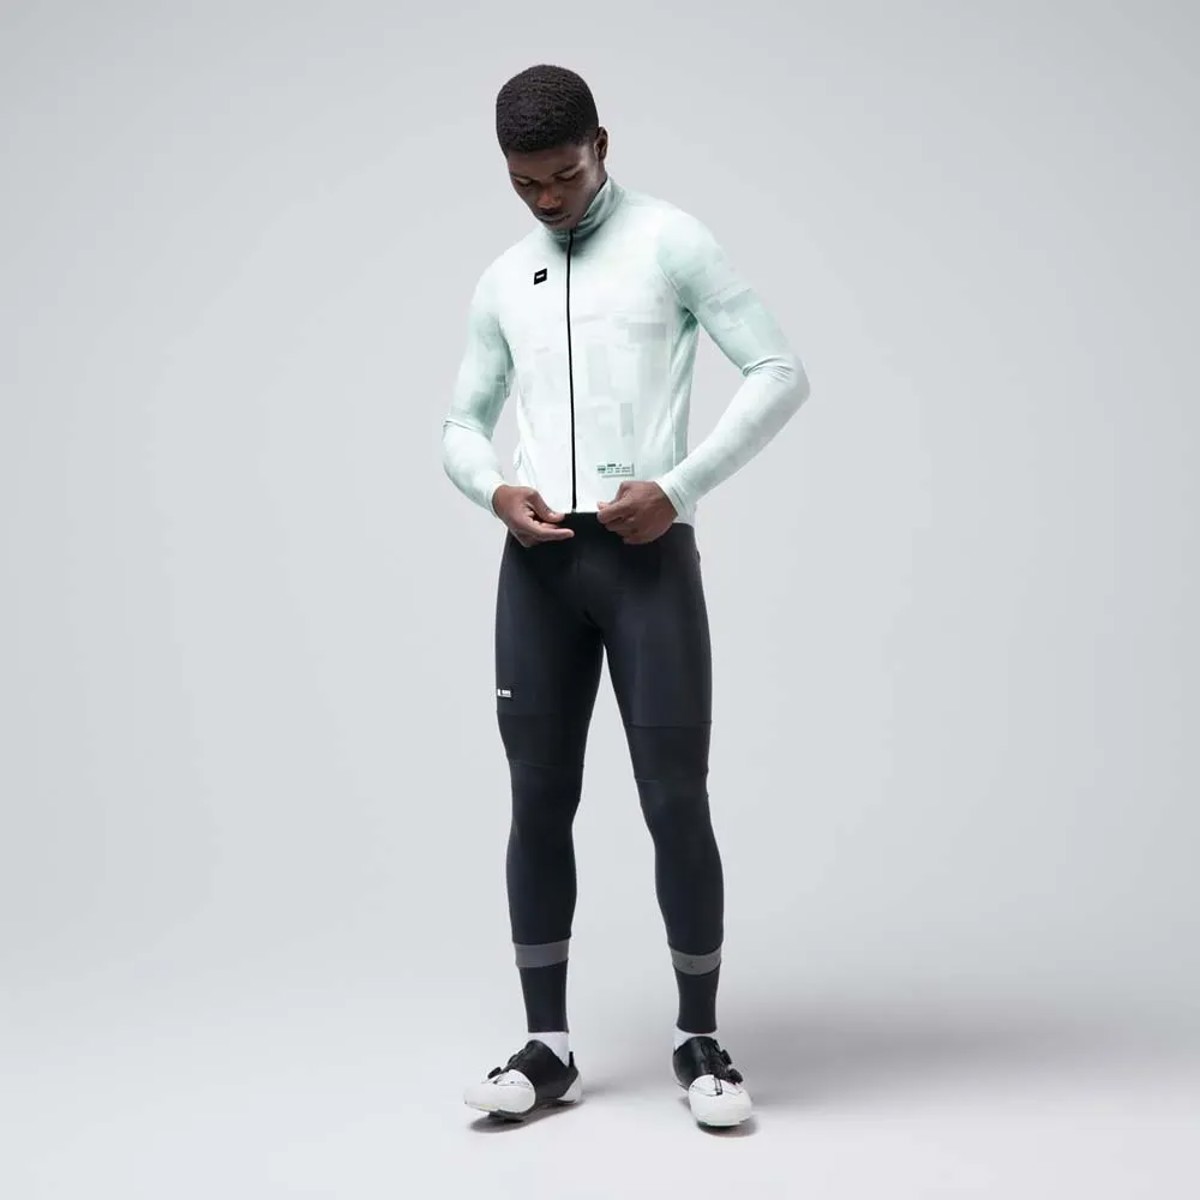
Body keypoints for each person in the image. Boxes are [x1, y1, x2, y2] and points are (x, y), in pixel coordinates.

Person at [442, 63, 811, 1129]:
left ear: (601, 143)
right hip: (539, 565)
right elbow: (460, 423)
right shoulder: (503, 279)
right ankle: (547, 1047)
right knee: (537, 800)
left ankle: (701, 1040)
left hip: (646, 558)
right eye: (525, 183)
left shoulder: (670, 241)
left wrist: (680, 488)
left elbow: (779, 371)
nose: (549, 199)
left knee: (673, 799)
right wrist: (494, 490)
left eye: (564, 175)